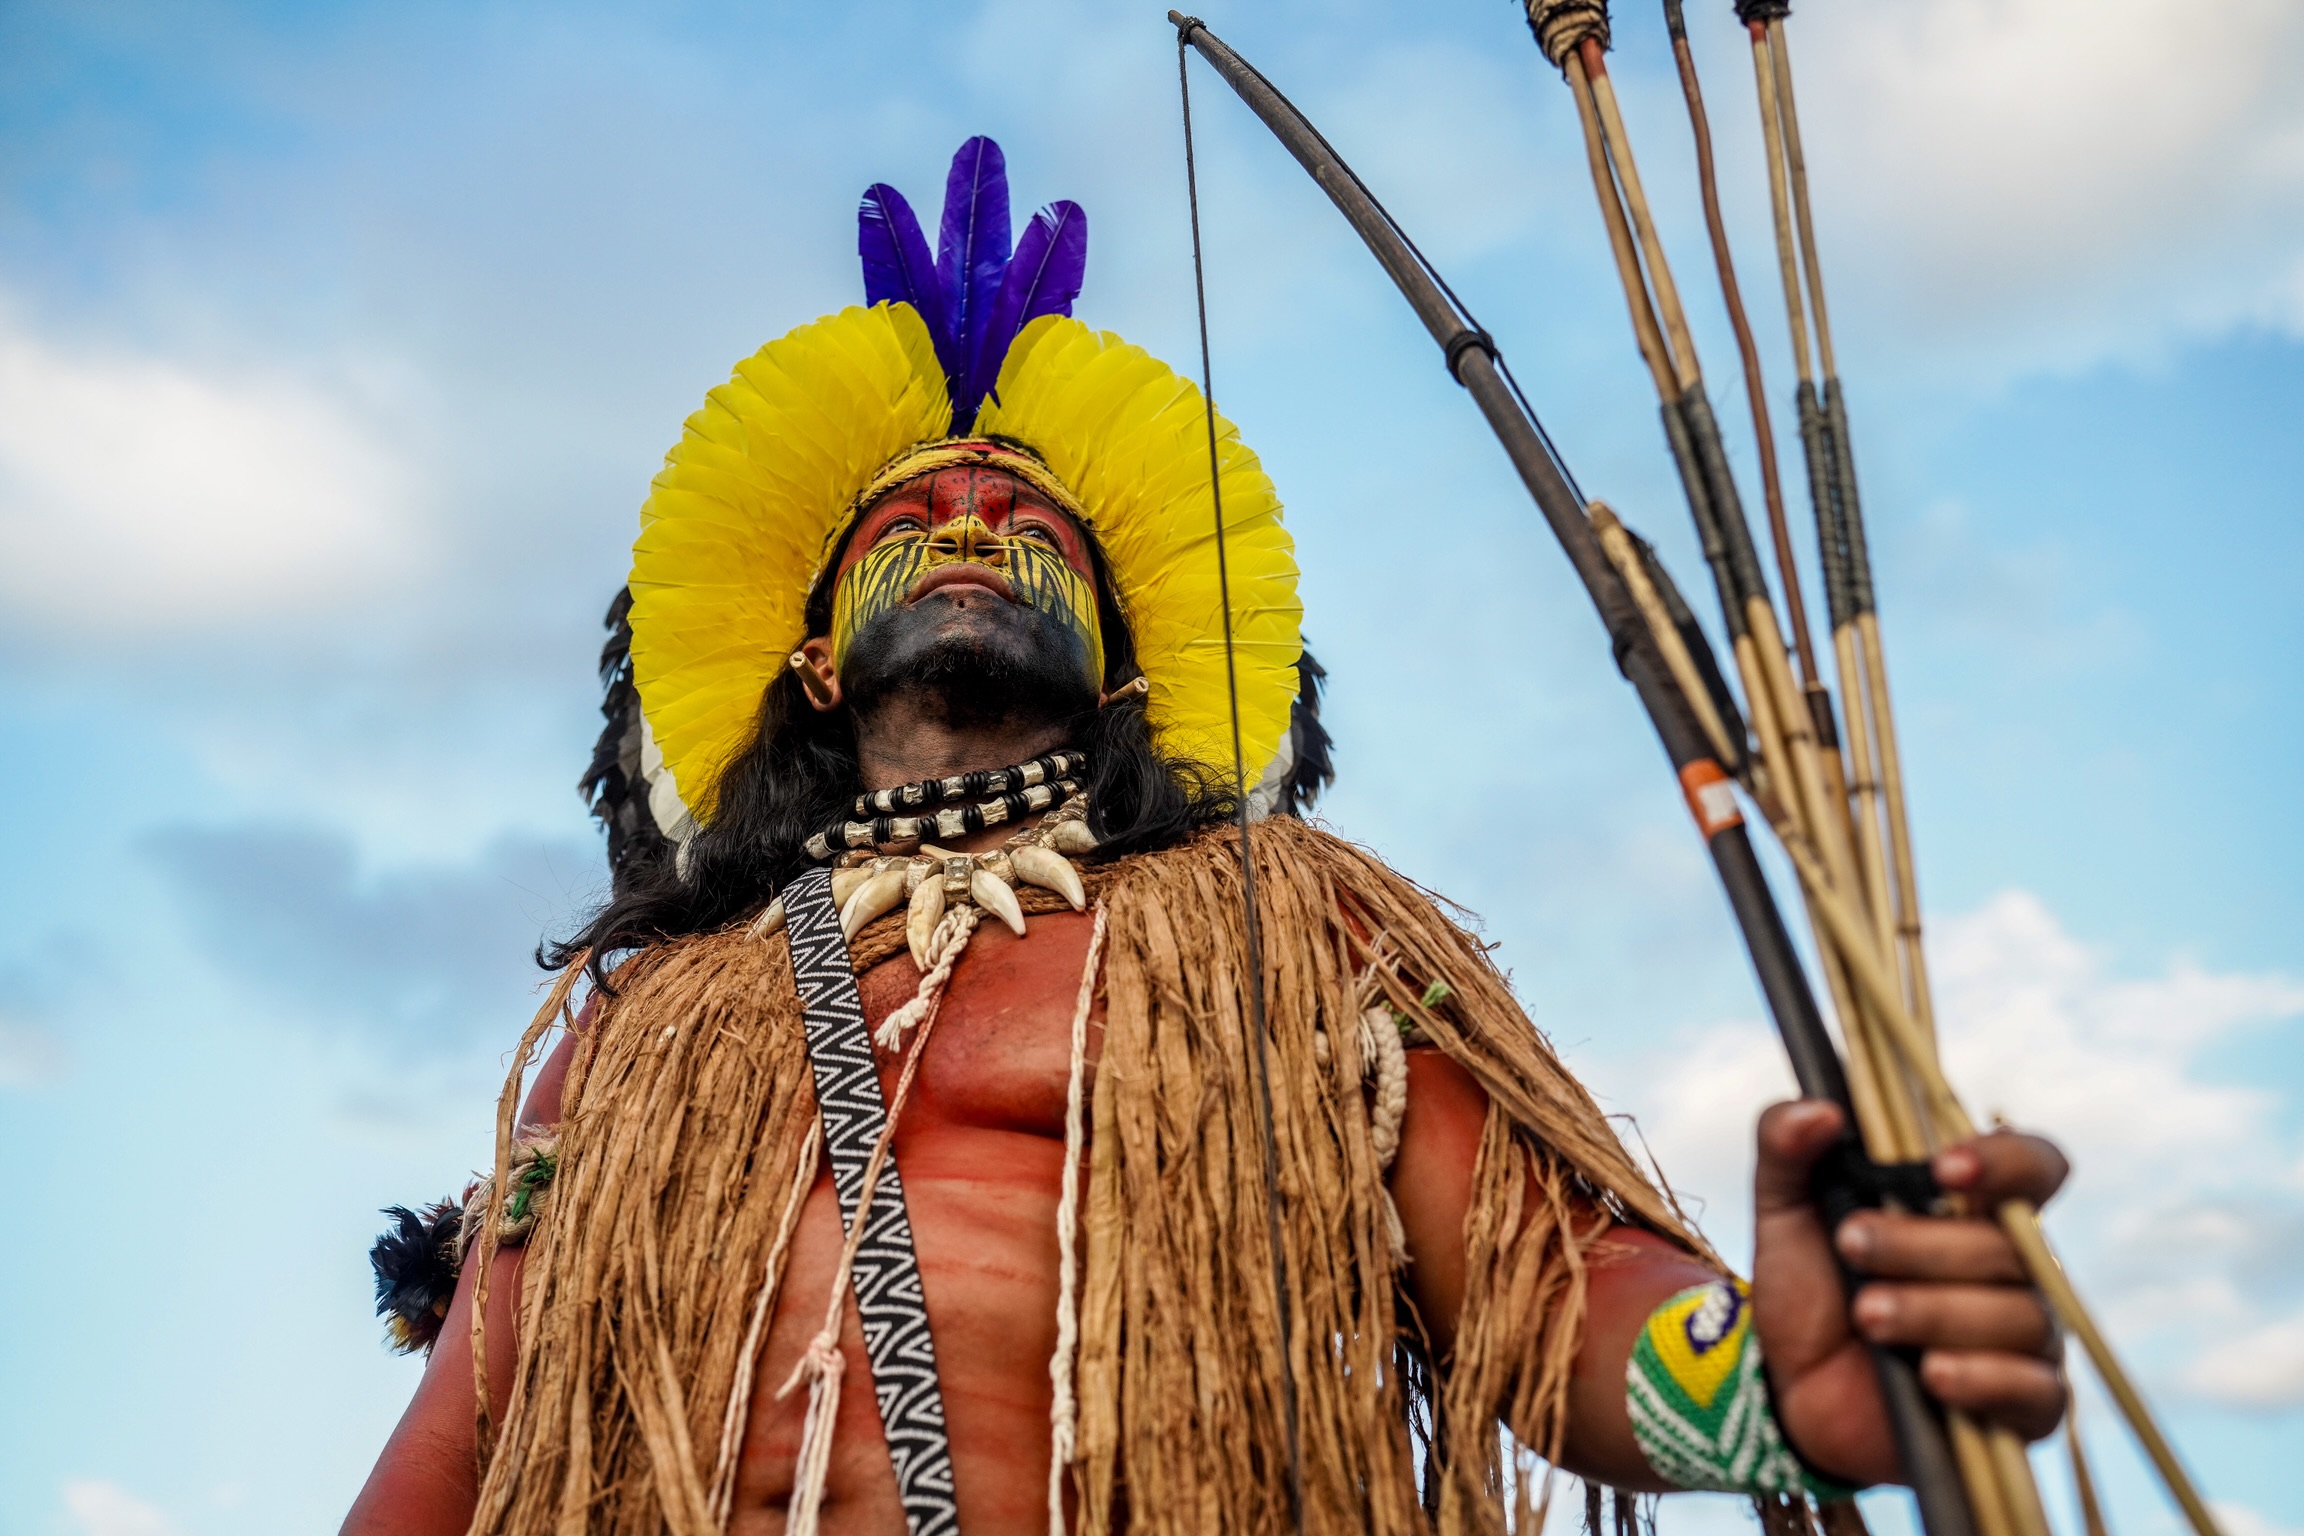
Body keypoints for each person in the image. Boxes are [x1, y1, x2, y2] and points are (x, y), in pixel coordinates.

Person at [345, 138, 2068, 1536]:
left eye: (1034, 523)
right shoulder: (643, 1032)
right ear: (809, 645)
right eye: (916, 518)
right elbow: (462, 1441)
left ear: (1120, 667)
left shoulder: (1285, 930)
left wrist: (1773, 1383)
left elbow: (1551, 1298)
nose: (975, 525)